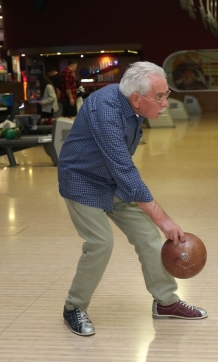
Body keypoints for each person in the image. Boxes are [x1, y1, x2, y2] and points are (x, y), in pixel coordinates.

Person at [58, 61, 207, 337]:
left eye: (166, 94)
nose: (165, 103)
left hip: (111, 180)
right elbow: (124, 169)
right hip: (82, 180)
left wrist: (155, 221)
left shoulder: (132, 105)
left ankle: (166, 302)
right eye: (159, 97)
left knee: (147, 235)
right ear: (136, 99)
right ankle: (73, 307)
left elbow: (121, 169)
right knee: (101, 243)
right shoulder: (106, 110)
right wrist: (164, 219)